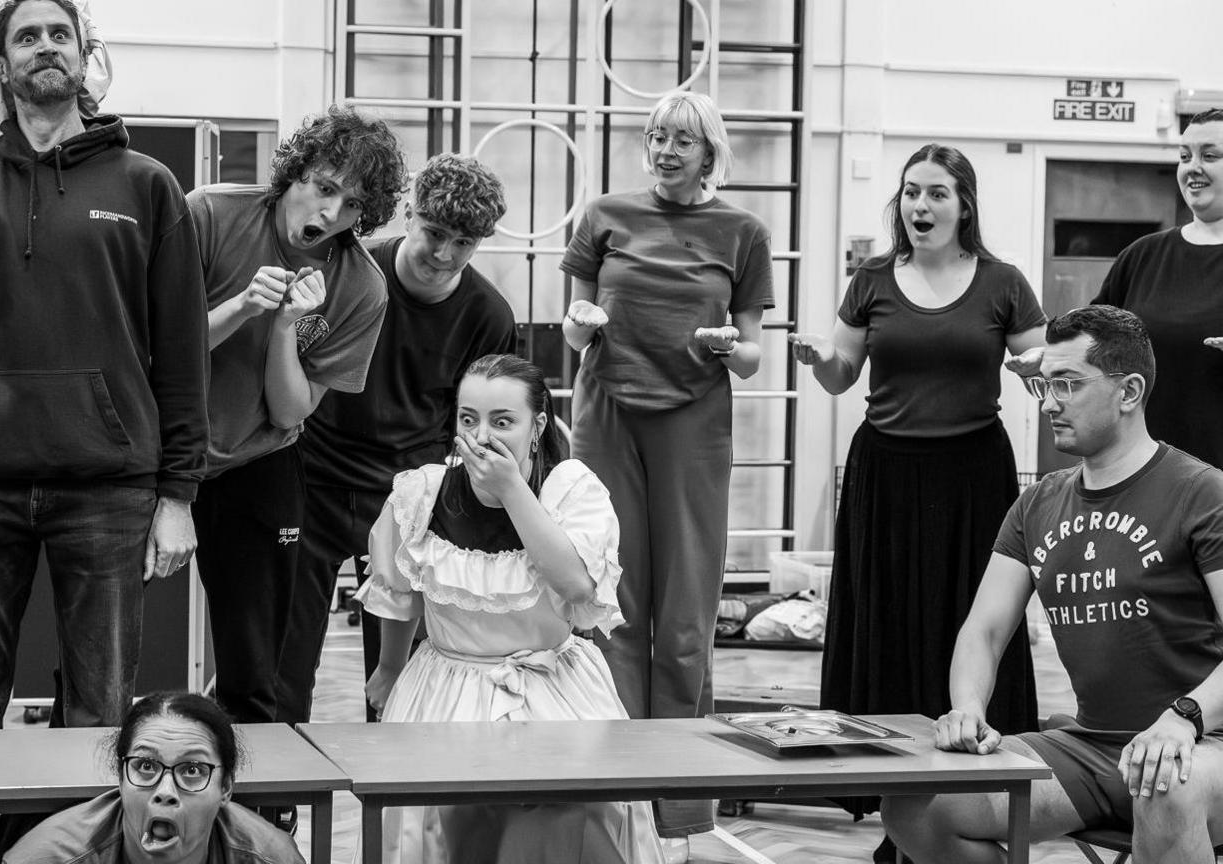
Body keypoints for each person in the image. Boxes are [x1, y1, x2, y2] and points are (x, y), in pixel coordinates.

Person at [0, 2, 208, 860]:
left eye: (57, 34)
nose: (43, 48)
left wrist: (178, 495)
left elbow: (183, 357)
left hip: (107, 490)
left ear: (85, 54)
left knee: (101, 714)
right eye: (25, 37)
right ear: (0, 65)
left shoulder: (148, 186)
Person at [884, 305, 1223, 863]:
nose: (1048, 401)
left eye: (1067, 383)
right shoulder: (1037, 503)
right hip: (1093, 748)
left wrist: (1184, 717)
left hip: (1203, 744)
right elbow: (985, 631)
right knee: (915, 803)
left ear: (1129, 391)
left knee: (1164, 784)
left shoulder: (1200, 492)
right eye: (1045, 383)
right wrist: (967, 708)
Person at [788, 143, 1044, 854]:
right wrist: (819, 363)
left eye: (935, 193)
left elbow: (1045, 363)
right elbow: (843, 376)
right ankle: (895, 805)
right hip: (888, 476)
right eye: (909, 193)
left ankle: (971, 792)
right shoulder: (872, 279)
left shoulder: (1003, 281)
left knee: (971, 617)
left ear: (964, 204)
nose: (919, 206)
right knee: (888, 622)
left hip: (973, 477)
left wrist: (1033, 366)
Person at [560, 90, 773, 842]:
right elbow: (575, 328)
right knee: (612, 605)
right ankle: (614, 795)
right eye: (656, 136)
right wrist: (581, 326)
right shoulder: (603, 217)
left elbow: (749, 355)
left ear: (711, 152)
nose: (666, 149)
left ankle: (679, 811)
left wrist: (727, 347)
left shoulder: (742, 232)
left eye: (683, 139)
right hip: (607, 416)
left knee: (685, 616)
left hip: (693, 421)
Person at [360, 353, 664, 864]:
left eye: (503, 422)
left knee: (569, 825)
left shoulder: (571, 488)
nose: (482, 435)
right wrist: (388, 670)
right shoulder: (422, 493)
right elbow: (397, 592)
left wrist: (511, 490)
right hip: (444, 691)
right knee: (429, 831)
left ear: (537, 425)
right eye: (468, 419)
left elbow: (575, 583)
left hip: (554, 690)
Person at [187, 105, 404, 736]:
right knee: (107, 656)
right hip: (157, 456)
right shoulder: (210, 214)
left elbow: (289, 410)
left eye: (354, 205)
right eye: (326, 188)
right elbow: (151, 356)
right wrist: (239, 308)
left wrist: (282, 326)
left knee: (258, 673)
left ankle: (259, 819)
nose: (333, 214)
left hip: (257, 461)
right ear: (295, 173)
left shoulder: (361, 286)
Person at [279, 152, 517, 727]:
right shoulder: (349, 274)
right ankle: (272, 809)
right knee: (283, 661)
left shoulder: (488, 315)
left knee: (400, 679)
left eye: (463, 242)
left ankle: (392, 814)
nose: (444, 254)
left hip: (408, 497)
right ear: (408, 213)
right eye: (435, 233)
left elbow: (487, 428)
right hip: (311, 476)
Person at [0, 691, 304, 864]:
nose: (165, 791)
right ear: (120, 778)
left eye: (192, 771)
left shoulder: (271, 859)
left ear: (225, 788)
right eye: (145, 766)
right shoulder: (47, 859)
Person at [1092, 107, 1223, 469]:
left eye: (1209, 156)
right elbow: (1092, 340)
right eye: (1185, 157)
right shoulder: (1142, 256)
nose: (1193, 167)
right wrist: (1052, 356)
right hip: (1144, 474)